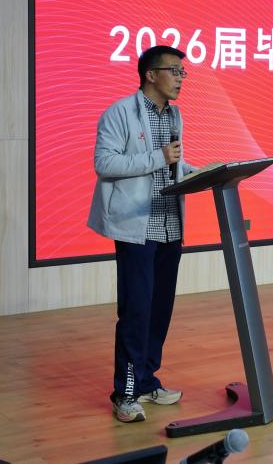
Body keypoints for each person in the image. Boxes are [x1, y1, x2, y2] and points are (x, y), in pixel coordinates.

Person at [87, 45, 193, 423]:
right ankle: (126, 392)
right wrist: (158, 158)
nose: (180, 79)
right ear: (151, 74)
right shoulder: (119, 113)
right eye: (174, 71)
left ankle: (147, 382)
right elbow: (105, 163)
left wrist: (200, 172)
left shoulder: (174, 115)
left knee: (160, 310)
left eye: (182, 73)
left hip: (170, 225)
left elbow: (173, 164)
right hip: (137, 228)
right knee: (136, 311)